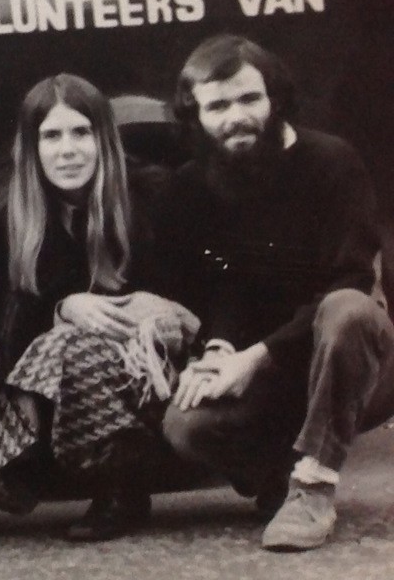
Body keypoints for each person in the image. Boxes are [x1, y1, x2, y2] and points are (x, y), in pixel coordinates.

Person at [151, 35, 394, 552]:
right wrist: (218, 349)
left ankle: (313, 484)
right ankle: (279, 473)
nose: (235, 117)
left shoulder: (332, 161)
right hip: (269, 372)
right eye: (217, 105)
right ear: (195, 115)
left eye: (248, 99)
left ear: (275, 100)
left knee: (347, 311)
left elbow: (353, 279)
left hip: (356, 361)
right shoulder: (196, 183)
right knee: (185, 425)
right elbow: (223, 282)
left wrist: (256, 357)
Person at [0, 74, 196, 540]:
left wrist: (159, 310)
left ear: (104, 138)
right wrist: (63, 308)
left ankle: (119, 491)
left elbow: (197, 292)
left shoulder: (152, 195)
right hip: (45, 382)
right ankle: (53, 461)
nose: (67, 149)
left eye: (81, 133)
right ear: (30, 146)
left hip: (150, 368)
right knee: (72, 345)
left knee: (87, 348)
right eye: (50, 136)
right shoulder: (5, 214)